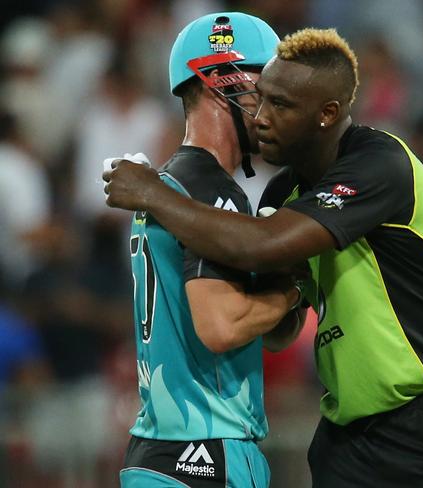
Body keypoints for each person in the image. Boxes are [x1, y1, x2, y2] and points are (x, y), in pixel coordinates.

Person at [105, 28, 423, 487]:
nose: (261, 117)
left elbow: (260, 245)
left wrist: (154, 194)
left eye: (279, 105)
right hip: (350, 436)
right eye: (260, 100)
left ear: (327, 113)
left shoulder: (380, 162)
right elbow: (280, 331)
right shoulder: (283, 192)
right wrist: (291, 290)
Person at [114, 13, 307, 488]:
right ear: (221, 83)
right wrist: (297, 290)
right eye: (266, 88)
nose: (273, 108)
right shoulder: (209, 190)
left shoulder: (169, 184)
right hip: (206, 453)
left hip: (159, 451)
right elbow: (222, 326)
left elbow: (268, 334)